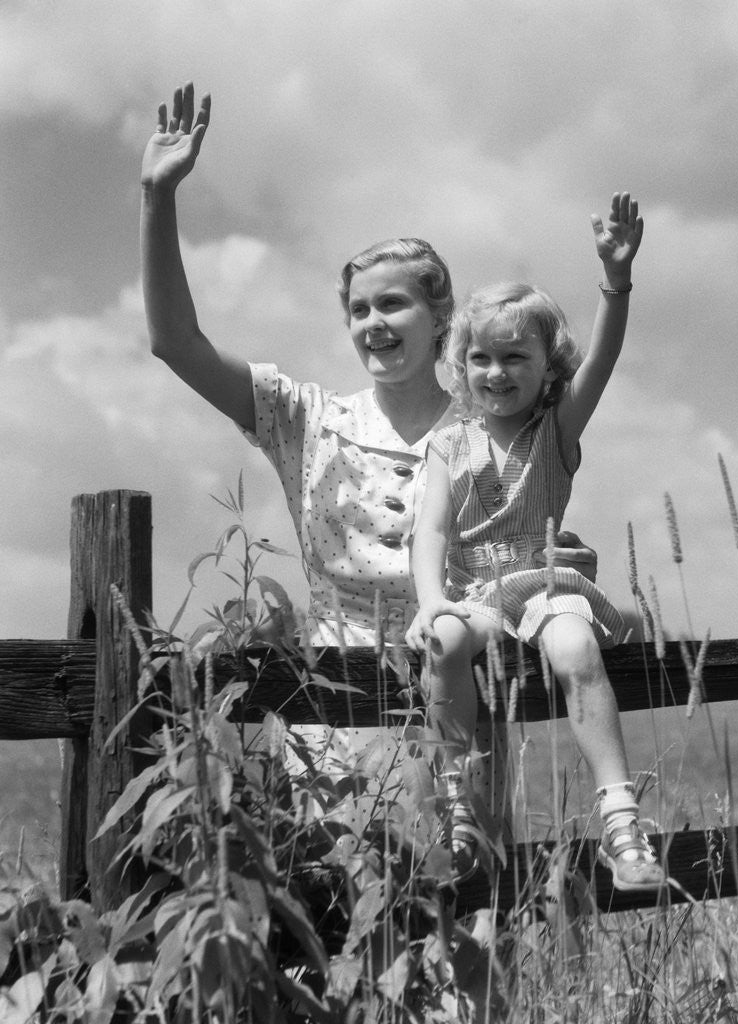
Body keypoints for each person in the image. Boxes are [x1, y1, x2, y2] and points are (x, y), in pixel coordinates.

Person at [139, 80, 599, 849]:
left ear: (442, 317)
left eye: (392, 305)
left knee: (467, 929)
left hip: (459, 714)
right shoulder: (306, 420)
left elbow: (522, 541)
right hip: (331, 728)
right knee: (349, 918)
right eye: (358, 309)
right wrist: (158, 197)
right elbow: (174, 343)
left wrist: (546, 563)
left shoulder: (494, 427)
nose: (372, 323)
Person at [406, 193, 666, 892]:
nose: (496, 372)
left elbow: (605, 357)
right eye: (482, 358)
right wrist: (432, 602)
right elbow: (430, 529)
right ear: (461, 365)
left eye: (515, 357)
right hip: (474, 589)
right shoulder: (447, 443)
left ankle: (619, 821)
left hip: (547, 583)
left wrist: (615, 280)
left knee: (574, 649)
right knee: (445, 644)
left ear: (547, 367)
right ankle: (459, 807)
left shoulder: (555, 427)